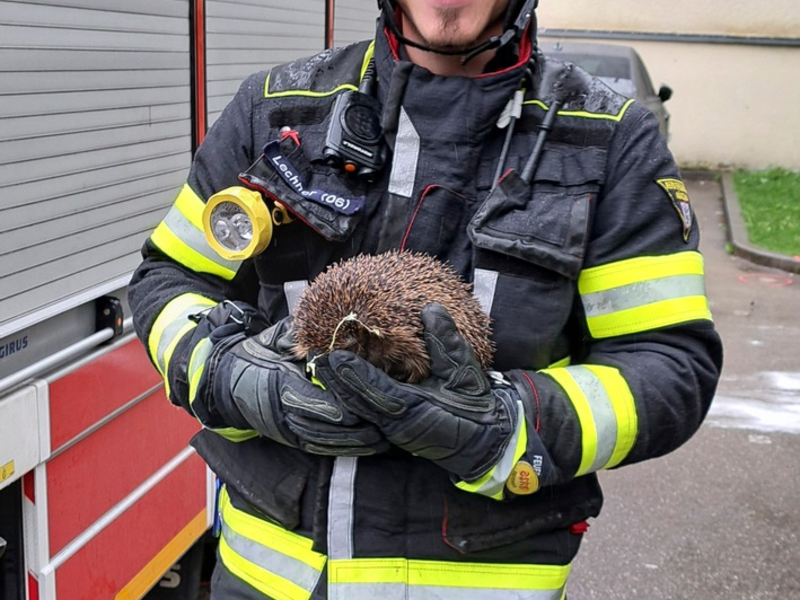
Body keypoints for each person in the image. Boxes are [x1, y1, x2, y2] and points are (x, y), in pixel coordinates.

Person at [128, 0, 723, 597]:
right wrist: (232, 375)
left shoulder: (608, 140)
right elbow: (169, 279)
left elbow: (670, 366)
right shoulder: (276, 109)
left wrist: (507, 425)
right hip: (267, 581)